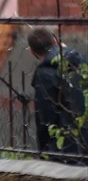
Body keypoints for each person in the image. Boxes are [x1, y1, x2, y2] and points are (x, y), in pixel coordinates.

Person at [26, 26, 87, 161]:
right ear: (56, 41)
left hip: (66, 153)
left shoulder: (44, 75)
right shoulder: (82, 62)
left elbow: (45, 120)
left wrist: (44, 154)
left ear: (31, 51)